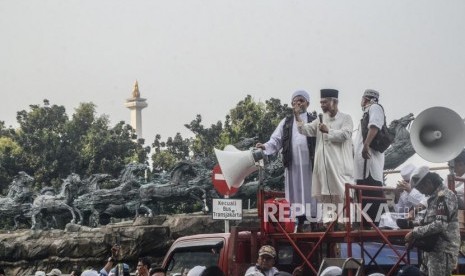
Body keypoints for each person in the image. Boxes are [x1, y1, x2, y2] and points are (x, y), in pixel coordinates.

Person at [256, 90, 317, 232]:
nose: (299, 103)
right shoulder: (286, 122)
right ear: (292, 104)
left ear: (308, 103)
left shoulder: (314, 120)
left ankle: (315, 222)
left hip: (311, 165)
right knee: (296, 194)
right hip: (293, 165)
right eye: (296, 101)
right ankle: (299, 223)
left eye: (301, 100)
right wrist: (264, 146)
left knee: (312, 193)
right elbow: (275, 140)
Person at [296, 89, 354, 225]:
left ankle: (344, 223)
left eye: (325, 102)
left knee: (341, 195)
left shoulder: (346, 118)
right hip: (323, 167)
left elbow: (346, 135)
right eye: (321, 102)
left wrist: (328, 130)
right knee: (326, 194)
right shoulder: (320, 119)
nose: (322, 105)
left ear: (334, 102)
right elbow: (303, 129)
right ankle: (329, 223)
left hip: (339, 167)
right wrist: (297, 115)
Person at [404, 166, 460, 275]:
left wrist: (414, 233)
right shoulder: (434, 198)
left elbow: (440, 224)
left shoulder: (444, 196)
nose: (423, 193)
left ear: (429, 182)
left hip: (442, 252)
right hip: (432, 250)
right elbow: (430, 221)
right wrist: (411, 224)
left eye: (421, 189)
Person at [354, 89, 387, 226]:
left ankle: (375, 227)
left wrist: (366, 145)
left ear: (365, 99)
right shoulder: (367, 112)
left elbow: (374, 125)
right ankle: (367, 227)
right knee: (364, 201)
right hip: (362, 168)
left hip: (369, 167)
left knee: (371, 199)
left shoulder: (375, 107)